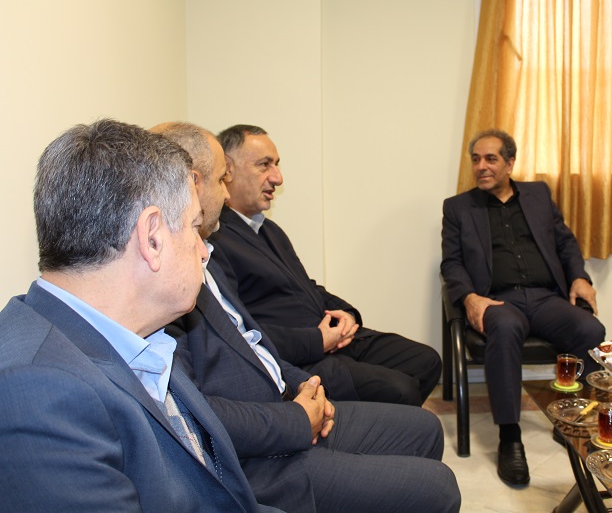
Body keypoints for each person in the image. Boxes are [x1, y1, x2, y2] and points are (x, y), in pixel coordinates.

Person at [154, 122, 461, 513]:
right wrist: (300, 413)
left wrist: (308, 378)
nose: (226, 191)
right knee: (437, 483)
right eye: (221, 179)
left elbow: (258, 335)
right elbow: (198, 411)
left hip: (290, 388)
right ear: (193, 184)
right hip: (265, 453)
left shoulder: (250, 239)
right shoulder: (174, 277)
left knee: (427, 420)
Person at [0, 119, 276, 512]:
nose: (203, 251)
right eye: (195, 227)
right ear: (152, 238)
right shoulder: (38, 393)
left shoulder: (140, 336)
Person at [208, 124, 441, 406]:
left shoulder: (269, 230)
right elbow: (241, 331)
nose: (278, 178)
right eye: (264, 165)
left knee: (426, 361)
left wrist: (348, 315)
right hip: (300, 358)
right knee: (400, 389)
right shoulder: (215, 239)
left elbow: (306, 287)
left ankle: (383, 423)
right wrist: (317, 340)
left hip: (332, 340)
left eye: (277, 165)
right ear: (228, 170)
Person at [441, 129, 606, 486]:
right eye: (476, 159)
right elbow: (451, 263)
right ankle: (510, 436)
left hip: (546, 298)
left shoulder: (538, 194)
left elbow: (565, 243)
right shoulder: (458, 208)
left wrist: (579, 277)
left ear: (510, 163)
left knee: (591, 330)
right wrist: (469, 297)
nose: (481, 166)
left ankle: (571, 417)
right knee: (504, 328)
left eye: (491, 159)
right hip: (499, 300)